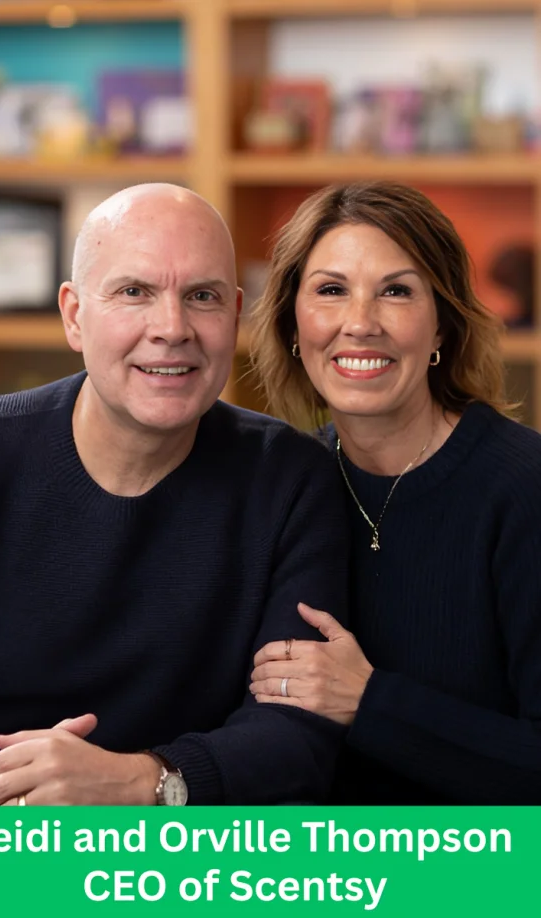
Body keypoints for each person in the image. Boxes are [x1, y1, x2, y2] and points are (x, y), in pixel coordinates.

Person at [0, 183, 348, 807]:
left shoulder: (292, 480)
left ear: (236, 315)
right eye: (134, 293)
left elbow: (298, 732)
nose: (172, 328)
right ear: (74, 315)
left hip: (193, 861)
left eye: (201, 297)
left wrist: (146, 782)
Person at [249, 180, 541, 804]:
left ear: (441, 327)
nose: (360, 323)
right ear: (293, 325)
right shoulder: (288, 484)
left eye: (397, 291)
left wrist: (371, 701)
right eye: (331, 290)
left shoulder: (524, 488)